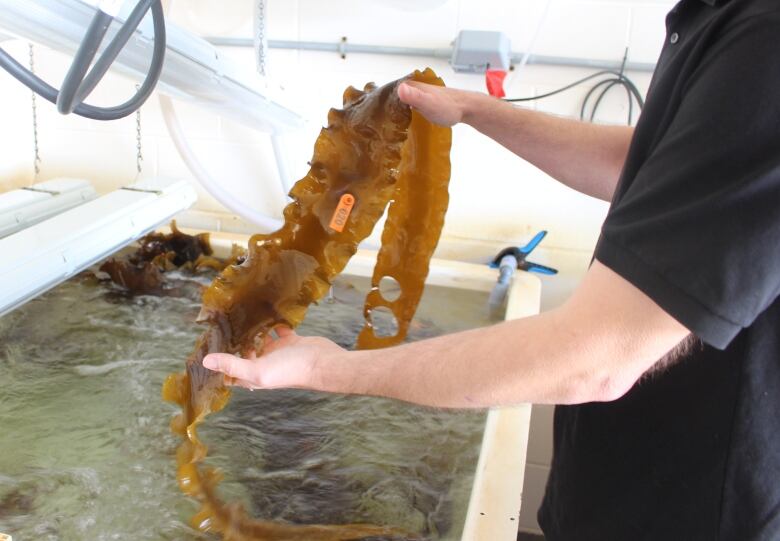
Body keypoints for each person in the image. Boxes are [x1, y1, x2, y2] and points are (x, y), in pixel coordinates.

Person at [203, 0, 780, 538]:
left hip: (694, 507)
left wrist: (331, 371)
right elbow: (647, 163)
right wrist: (477, 111)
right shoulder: (717, 15)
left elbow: (596, 360)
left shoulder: (764, 37)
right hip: (627, 473)